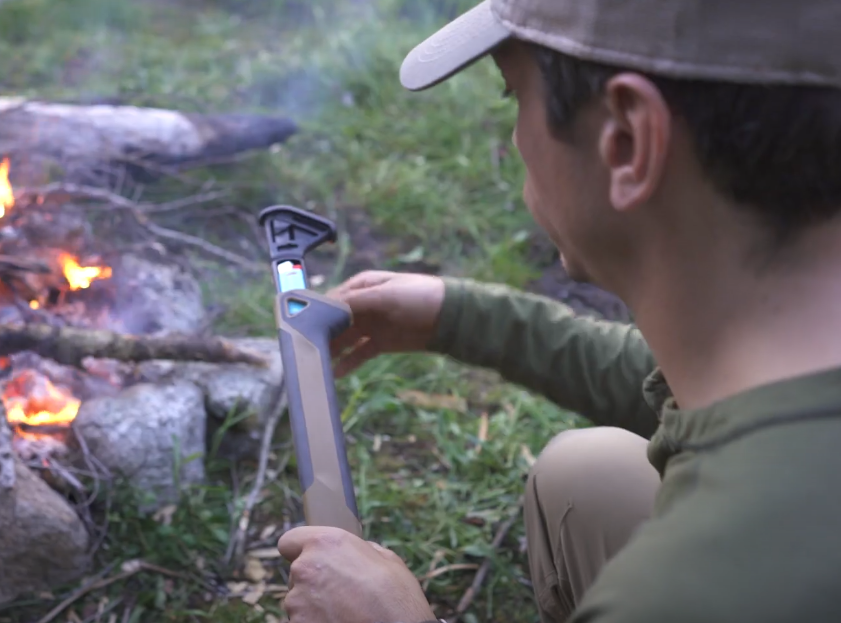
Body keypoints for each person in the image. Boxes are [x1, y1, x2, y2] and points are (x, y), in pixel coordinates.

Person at [275, 0, 841, 622]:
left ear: (626, 140)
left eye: (514, 93)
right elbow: (657, 377)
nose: (516, 135)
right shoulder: (784, 364)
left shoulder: (687, 591)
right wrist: (455, 314)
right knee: (590, 474)